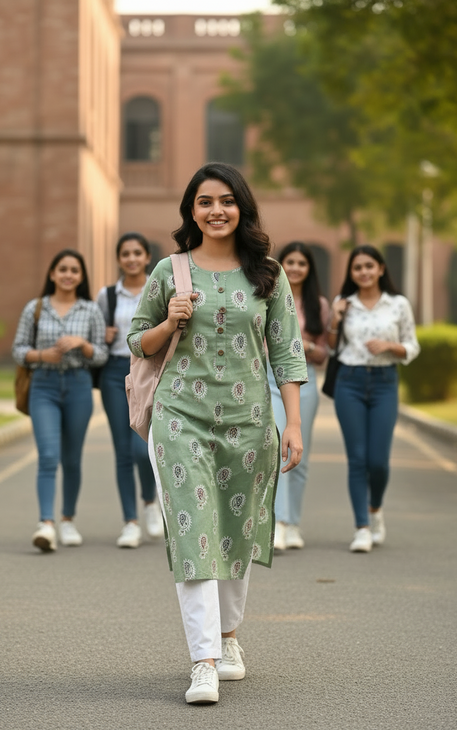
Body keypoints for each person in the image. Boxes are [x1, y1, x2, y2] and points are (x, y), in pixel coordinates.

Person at [127, 162, 308, 705]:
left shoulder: (268, 274)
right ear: (191, 211)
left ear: (242, 208)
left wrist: (292, 422)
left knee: (234, 529)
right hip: (181, 417)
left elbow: (286, 351)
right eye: (204, 202)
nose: (216, 210)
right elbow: (139, 341)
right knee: (192, 529)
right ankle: (202, 660)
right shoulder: (169, 271)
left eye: (226, 201)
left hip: (251, 422)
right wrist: (170, 320)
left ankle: (229, 639)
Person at [12, 249, 108, 552]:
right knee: (48, 455)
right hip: (44, 386)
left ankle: (67, 520)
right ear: (52, 274)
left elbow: (102, 356)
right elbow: (18, 349)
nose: (68, 275)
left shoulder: (91, 310)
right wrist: (42, 355)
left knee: (72, 459)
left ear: (81, 277)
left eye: (74, 271)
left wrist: (83, 344)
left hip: (79, 387)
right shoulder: (35, 308)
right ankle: (46, 524)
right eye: (63, 269)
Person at [328, 245, 420, 553]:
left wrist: (390, 347)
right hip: (349, 383)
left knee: (378, 461)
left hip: (384, 383)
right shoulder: (344, 303)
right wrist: (334, 320)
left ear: (381, 268)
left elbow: (412, 345)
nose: (364, 272)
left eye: (369, 266)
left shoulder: (398, 304)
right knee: (357, 459)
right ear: (351, 273)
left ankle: (376, 510)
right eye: (357, 268)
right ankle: (361, 528)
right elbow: (331, 348)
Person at [97, 233, 164, 548]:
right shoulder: (107, 295)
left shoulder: (160, 287)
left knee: (143, 446)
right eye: (126, 253)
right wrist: (105, 336)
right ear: (119, 259)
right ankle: (130, 522)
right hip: (115, 370)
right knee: (123, 450)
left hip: (149, 370)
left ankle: (150, 501)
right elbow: (96, 336)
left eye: (138, 252)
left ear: (147, 256)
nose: (132, 258)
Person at [270, 242, 330, 551]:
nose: (294, 268)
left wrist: (304, 346)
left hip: (305, 382)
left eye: (301, 263)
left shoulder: (318, 304)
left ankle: (293, 523)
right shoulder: (266, 296)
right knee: (279, 449)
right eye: (289, 261)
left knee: (299, 455)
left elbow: (323, 353)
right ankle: (277, 522)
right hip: (270, 381)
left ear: (309, 269)